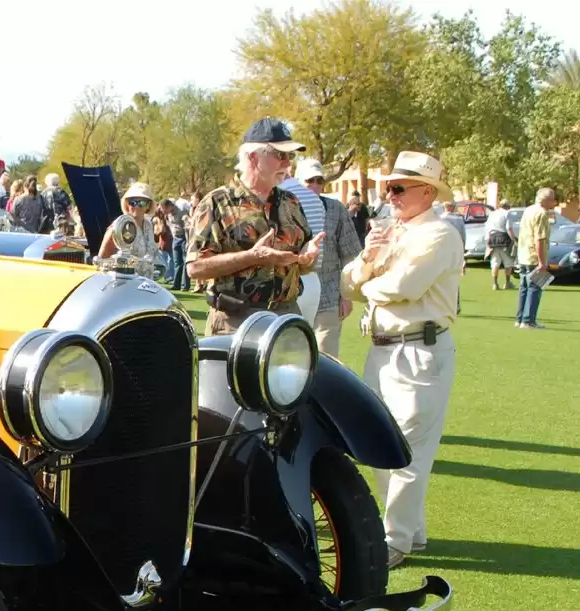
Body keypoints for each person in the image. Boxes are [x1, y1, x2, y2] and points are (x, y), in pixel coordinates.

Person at [340, 151, 463, 569]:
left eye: (398, 188)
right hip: (382, 348)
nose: (389, 196)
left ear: (426, 192)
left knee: (407, 447)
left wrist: (367, 278)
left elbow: (405, 286)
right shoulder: (392, 231)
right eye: (387, 187)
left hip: (418, 351)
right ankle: (412, 529)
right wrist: (369, 264)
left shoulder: (440, 234)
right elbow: (346, 281)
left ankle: (395, 538)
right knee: (378, 440)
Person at [185, 117, 324, 334]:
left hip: (286, 318)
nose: (288, 163)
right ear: (252, 157)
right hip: (235, 321)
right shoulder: (217, 203)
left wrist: (306, 256)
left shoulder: (291, 202)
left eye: (290, 156)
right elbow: (195, 268)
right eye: (280, 155)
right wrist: (252, 257)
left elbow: (302, 263)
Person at [297, 160, 362, 357]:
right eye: (310, 181)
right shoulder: (285, 208)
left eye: (319, 180)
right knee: (294, 354)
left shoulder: (336, 209)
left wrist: (347, 295)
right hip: (294, 295)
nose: (316, 185)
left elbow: (349, 253)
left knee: (326, 355)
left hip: (329, 293)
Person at [515, 187, 556, 329]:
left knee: (523, 287)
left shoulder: (529, 210)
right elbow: (540, 239)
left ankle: (520, 318)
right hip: (533, 256)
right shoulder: (542, 214)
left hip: (523, 254)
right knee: (534, 287)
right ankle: (528, 320)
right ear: (547, 200)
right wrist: (541, 261)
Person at [99, 182, 159, 266]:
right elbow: (102, 259)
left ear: (148, 205)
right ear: (127, 204)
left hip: (146, 277)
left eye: (141, 203)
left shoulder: (148, 225)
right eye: (133, 202)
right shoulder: (120, 224)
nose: (137, 206)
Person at [484, 200, 515, 290]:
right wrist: (514, 238)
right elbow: (508, 228)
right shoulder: (507, 213)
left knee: (495, 262)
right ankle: (507, 283)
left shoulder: (492, 214)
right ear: (508, 206)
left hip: (492, 238)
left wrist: (488, 240)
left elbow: (487, 227)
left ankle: (495, 284)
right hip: (504, 238)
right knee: (508, 261)